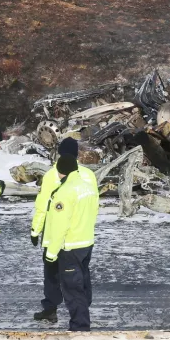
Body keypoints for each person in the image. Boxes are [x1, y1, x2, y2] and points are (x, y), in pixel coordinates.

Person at [32, 138, 99, 324]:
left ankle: (52, 309)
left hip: (57, 235)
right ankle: (84, 306)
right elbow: (95, 206)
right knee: (82, 273)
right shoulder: (88, 176)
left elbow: (43, 206)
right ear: (77, 155)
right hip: (84, 235)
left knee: (53, 274)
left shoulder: (53, 175)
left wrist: (35, 229)